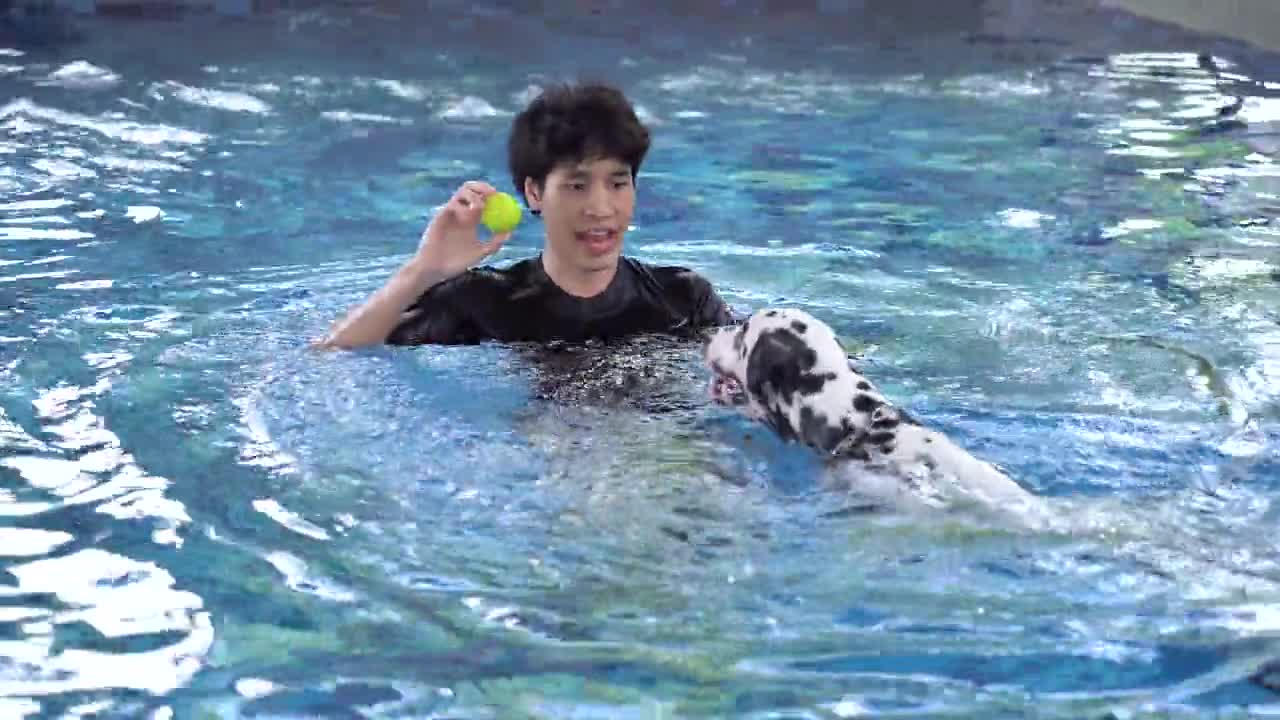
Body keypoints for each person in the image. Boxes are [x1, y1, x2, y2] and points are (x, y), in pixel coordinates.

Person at [316, 81, 736, 350]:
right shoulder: (488, 302)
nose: (601, 208)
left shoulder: (683, 299)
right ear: (534, 192)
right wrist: (422, 271)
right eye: (576, 185)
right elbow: (334, 353)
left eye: (618, 183)